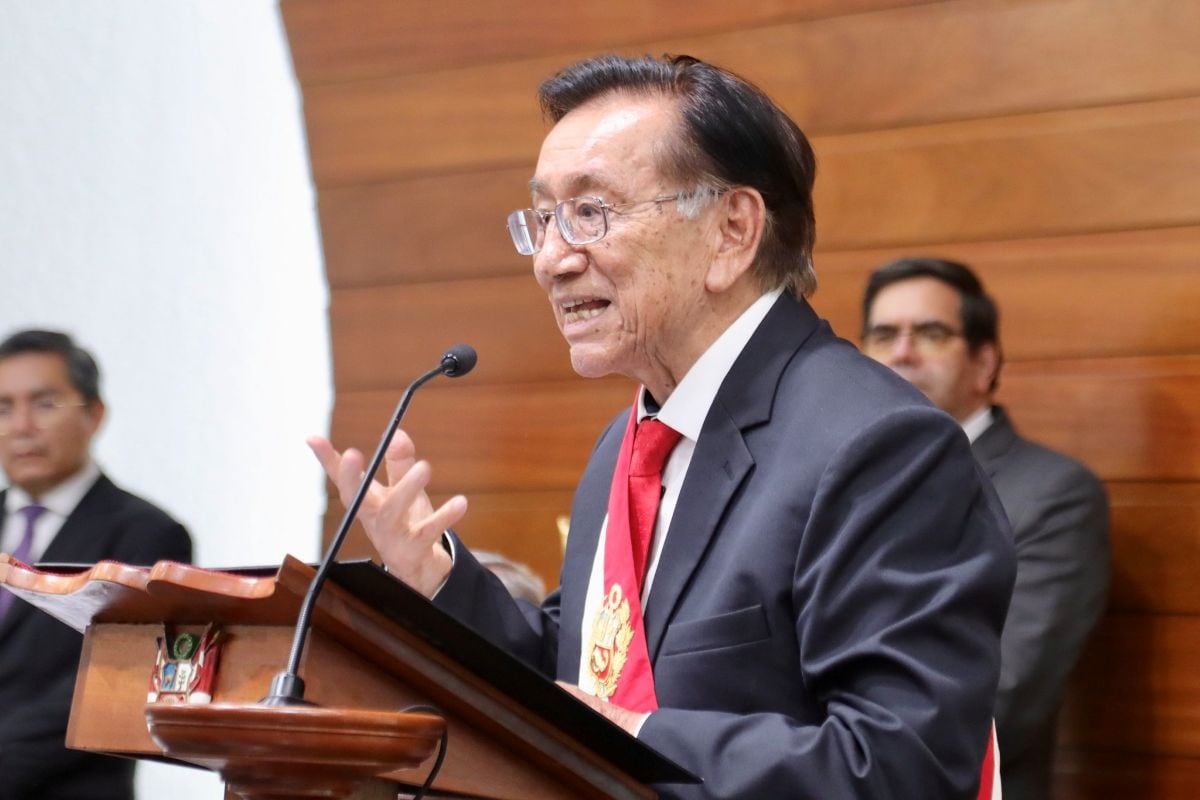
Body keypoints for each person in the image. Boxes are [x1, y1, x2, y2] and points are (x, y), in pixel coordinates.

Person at [311, 55, 1015, 799]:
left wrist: (637, 736)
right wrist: (441, 582)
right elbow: (588, 674)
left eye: (591, 212)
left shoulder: (880, 448)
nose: (551, 258)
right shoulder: (632, 441)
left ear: (732, 231)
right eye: (543, 217)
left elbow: (899, 769)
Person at [861, 257, 1110, 800]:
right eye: (883, 335)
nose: (901, 352)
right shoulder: (837, 481)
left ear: (984, 363)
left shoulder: (1054, 495)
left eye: (930, 333)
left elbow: (1009, 697)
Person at [0, 329, 193, 800]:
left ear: (94, 413)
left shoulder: (148, 534)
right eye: (3, 407)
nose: (21, 426)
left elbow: (116, 678)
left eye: (44, 404)